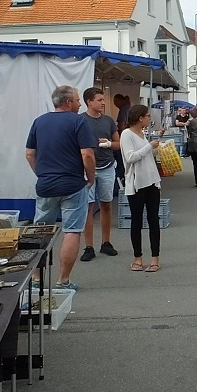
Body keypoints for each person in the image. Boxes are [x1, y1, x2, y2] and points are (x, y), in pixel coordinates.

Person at [25, 85, 97, 290]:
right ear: (68, 103)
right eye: (77, 100)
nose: (80, 103)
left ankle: (36, 279)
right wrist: (90, 177)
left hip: (46, 185)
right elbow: (87, 154)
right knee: (72, 231)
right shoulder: (79, 121)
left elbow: (30, 153)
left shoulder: (39, 122)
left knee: (40, 232)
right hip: (73, 184)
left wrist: (41, 174)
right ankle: (63, 280)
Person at [119, 104, 162, 271]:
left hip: (151, 180)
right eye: (148, 116)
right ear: (140, 118)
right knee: (136, 221)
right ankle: (138, 257)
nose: (150, 118)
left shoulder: (142, 134)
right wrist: (150, 146)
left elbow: (146, 155)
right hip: (136, 183)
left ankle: (155, 258)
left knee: (153, 220)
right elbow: (130, 157)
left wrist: (154, 149)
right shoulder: (126, 134)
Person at [80, 87, 120, 262]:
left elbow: (119, 144)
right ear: (89, 101)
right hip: (86, 168)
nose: (103, 103)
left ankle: (106, 242)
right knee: (87, 207)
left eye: (103, 100)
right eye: (99, 100)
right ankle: (88, 246)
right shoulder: (80, 120)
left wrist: (109, 144)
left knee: (106, 204)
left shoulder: (109, 121)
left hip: (107, 166)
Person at [113, 94, 131, 186]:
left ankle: (121, 182)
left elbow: (121, 125)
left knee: (121, 162)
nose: (115, 105)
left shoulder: (123, 110)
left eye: (116, 102)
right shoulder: (129, 108)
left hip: (123, 138)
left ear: (121, 101)